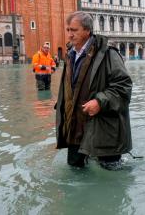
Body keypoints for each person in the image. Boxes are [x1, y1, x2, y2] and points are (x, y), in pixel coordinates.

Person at [55, 11, 133, 170]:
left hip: (103, 128)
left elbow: (124, 86)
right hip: (74, 126)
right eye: (68, 30)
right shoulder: (70, 54)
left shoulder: (108, 53)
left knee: (110, 176)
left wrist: (100, 101)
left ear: (87, 30)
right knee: (75, 171)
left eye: (74, 30)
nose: (69, 35)